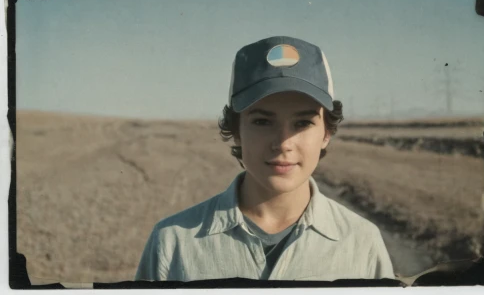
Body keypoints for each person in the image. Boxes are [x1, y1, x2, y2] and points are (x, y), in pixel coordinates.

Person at [135, 36, 395, 281]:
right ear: (236, 130)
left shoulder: (362, 242)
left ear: (326, 132)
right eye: (262, 121)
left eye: (302, 123)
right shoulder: (173, 242)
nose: (283, 143)